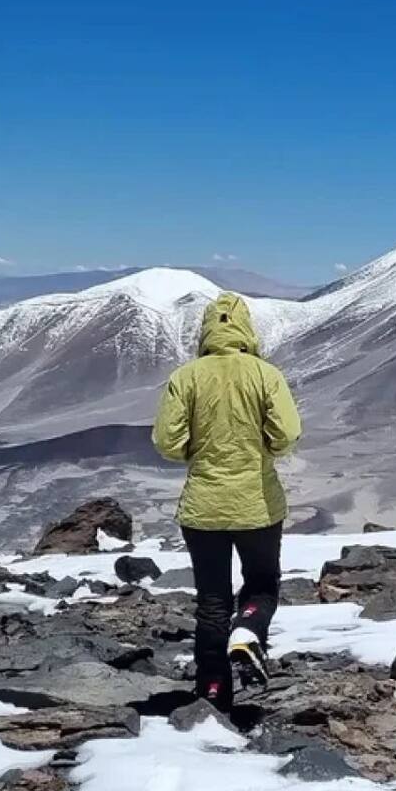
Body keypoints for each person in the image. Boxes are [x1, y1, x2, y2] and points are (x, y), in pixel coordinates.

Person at [152, 291, 301, 710]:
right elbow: (287, 434)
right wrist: (265, 449)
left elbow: (167, 441)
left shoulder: (186, 377)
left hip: (202, 508)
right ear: (246, 329)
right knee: (261, 586)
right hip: (258, 506)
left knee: (211, 601)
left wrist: (192, 453)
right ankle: (250, 630)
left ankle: (212, 692)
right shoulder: (265, 375)